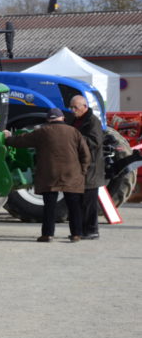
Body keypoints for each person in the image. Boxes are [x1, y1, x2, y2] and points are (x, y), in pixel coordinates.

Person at [4, 108, 91, 242]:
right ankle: (76, 234)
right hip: (72, 174)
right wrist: (82, 171)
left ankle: (48, 234)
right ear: (62, 118)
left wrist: (8, 138)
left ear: (49, 119)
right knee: (74, 206)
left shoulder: (43, 132)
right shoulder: (74, 132)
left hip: (50, 174)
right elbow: (85, 154)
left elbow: (21, 141)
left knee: (49, 206)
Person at [69, 95, 105, 240]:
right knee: (81, 201)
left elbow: (95, 141)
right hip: (81, 167)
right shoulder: (76, 120)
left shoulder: (92, 121)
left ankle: (92, 230)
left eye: (75, 107)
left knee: (89, 202)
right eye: (71, 107)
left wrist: (75, 139)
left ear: (84, 106)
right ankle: (83, 230)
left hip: (92, 168)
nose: (72, 110)